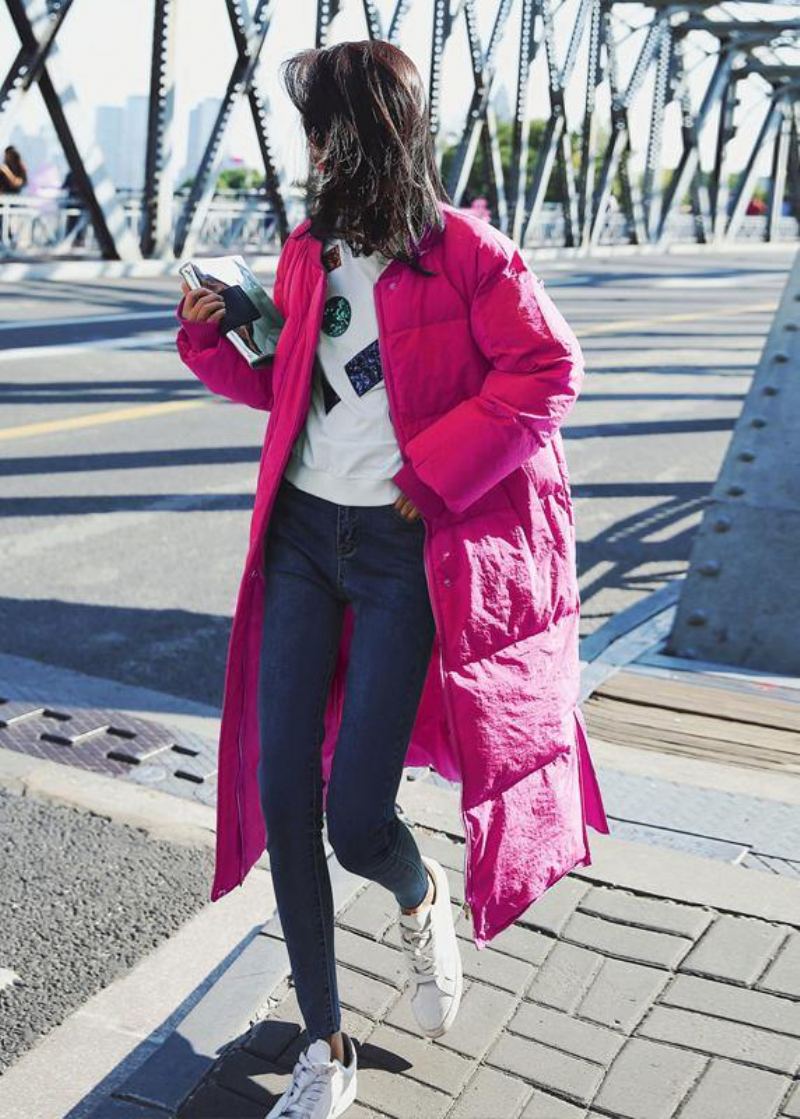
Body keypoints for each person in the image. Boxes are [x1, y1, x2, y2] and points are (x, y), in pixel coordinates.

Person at [175, 38, 608, 1119]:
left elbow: (549, 370)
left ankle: (419, 898)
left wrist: (435, 470)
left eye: (316, 128)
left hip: (401, 553)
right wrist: (212, 342)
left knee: (356, 817)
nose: (307, 149)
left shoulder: (467, 250)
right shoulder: (303, 252)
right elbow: (289, 385)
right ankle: (326, 1047)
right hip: (301, 540)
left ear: (356, 134)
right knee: (284, 790)